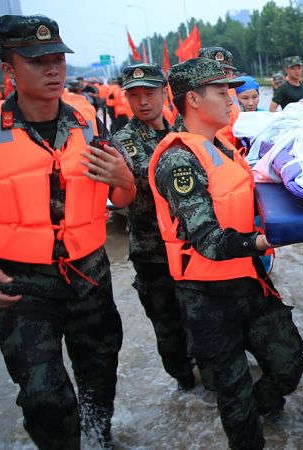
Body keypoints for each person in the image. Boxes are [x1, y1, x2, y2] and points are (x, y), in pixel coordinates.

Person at [0, 15, 135, 449]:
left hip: (90, 275)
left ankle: (99, 439)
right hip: (21, 285)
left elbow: (123, 198)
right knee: (44, 397)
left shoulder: (89, 124)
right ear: (9, 70)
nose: (53, 69)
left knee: (99, 376)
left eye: (58, 59)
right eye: (37, 61)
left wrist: (125, 179)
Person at [150, 57, 303, 450]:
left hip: (248, 281)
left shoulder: (222, 145)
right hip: (206, 297)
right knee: (232, 392)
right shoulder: (179, 160)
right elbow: (208, 240)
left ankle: (263, 407)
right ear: (193, 100)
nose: (230, 99)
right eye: (221, 92)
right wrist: (264, 241)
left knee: (289, 362)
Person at [110, 63, 196, 391]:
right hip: (154, 253)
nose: (143, 101)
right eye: (134, 95)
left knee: (203, 319)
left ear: (164, 93)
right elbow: (144, 181)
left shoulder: (182, 130)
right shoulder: (123, 141)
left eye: (149, 93)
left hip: (192, 247)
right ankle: (184, 383)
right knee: (168, 327)